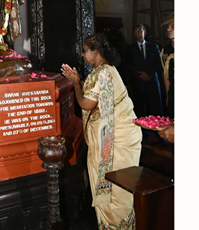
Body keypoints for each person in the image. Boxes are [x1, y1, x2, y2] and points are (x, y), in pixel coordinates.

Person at [61, 34, 142, 229]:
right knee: (117, 190)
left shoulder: (103, 73)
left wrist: (75, 83)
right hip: (116, 137)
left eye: (84, 50)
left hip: (115, 142)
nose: (82, 55)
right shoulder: (107, 70)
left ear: (95, 52)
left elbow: (86, 104)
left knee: (115, 191)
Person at [123, 24, 164, 127]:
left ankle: (160, 134)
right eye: (135, 31)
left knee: (156, 108)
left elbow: (158, 63)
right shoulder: (130, 48)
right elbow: (128, 64)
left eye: (140, 30)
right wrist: (140, 75)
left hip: (152, 81)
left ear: (144, 33)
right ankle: (143, 135)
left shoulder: (154, 47)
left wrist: (149, 74)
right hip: (138, 82)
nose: (137, 33)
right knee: (140, 109)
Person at [161, 15, 174, 119]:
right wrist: (168, 93)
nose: (169, 29)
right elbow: (166, 74)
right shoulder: (166, 50)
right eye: (168, 26)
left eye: (173, 26)